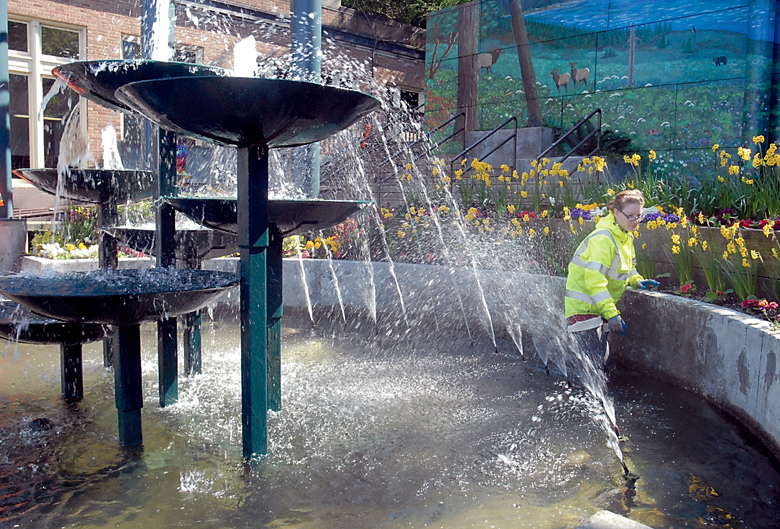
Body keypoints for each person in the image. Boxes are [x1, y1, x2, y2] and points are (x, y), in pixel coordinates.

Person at [564, 189, 659, 366]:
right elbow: (594, 281)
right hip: (583, 308)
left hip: (598, 306)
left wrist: (636, 280)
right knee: (592, 363)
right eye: (630, 216)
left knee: (597, 361)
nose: (635, 221)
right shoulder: (603, 239)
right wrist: (612, 314)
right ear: (616, 212)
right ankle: (577, 392)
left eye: (639, 216)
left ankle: (582, 391)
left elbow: (628, 268)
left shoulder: (624, 236)